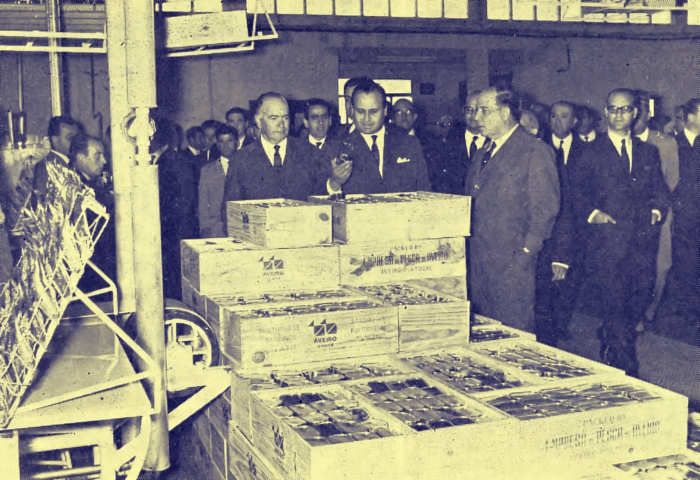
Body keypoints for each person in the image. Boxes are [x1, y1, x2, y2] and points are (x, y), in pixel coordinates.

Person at [570, 88, 670, 376]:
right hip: (606, 242)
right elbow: (574, 192)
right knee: (614, 301)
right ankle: (624, 364)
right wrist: (593, 214)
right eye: (613, 109)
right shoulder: (589, 151)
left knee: (639, 297)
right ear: (605, 112)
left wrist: (656, 211)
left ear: (635, 113)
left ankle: (610, 335)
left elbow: (660, 191)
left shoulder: (648, 151)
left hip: (641, 242)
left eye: (624, 109)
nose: (618, 115)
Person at [464, 87, 560, 332]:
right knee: (483, 329)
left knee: (513, 329)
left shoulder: (534, 151)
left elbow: (545, 209)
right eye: (475, 110)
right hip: (480, 258)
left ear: (505, 112)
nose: (477, 117)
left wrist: (526, 253)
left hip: (513, 262)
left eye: (484, 111)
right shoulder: (484, 151)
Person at [534, 101, 587, 345]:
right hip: (548, 224)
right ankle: (546, 330)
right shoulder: (538, 147)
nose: (557, 121)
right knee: (545, 282)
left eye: (564, 116)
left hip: (577, 226)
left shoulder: (586, 151)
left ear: (574, 121)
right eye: (554, 116)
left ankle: (561, 324)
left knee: (570, 283)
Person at [223, 92, 328, 204]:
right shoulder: (240, 160)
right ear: (258, 121)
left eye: (285, 118)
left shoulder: (310, 153)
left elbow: (321, 201)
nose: (281, 124)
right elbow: (230, 209)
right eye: (274, 118)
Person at [328, 79, 430, 195]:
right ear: (352, 109)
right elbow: (317, 195)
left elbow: (424, 191)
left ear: (385, 110)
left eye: (373, 112)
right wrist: (335, 183)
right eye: (360, 111)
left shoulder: (409, 143)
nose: (366, 119)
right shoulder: (336, 145)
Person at [632, 90, 679, 323]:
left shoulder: (665, 143)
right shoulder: (614, 142)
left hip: (657, 213)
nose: (634, 116)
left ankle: (647, 310)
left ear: (648, 114)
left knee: (660, 265)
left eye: (639, 111)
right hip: (626, 215)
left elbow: (672, 181)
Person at [655, 98, 700, 335]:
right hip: (677, 215)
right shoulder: (671, 144)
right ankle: (680, 313)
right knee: (680, 263)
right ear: (690, 117)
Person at [440, 92, 487, 195]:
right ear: (463, 111)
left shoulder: (494, 141)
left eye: (478, 110)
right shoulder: (449, 141)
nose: (473, 115)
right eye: (469, 109)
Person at [199, 124, 237, 238]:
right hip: (216, 230)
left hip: (241, 228)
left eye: (229, 141)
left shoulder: (246, 166)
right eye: (221, 141)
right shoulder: (207, 170)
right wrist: (205, 228)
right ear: (217, 144)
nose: (225, 145)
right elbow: (203, 202)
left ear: (237, 143)